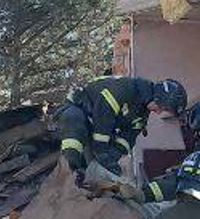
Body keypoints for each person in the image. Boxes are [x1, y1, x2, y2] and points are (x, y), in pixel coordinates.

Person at [57, 76, 186, 186]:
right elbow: (103, 115)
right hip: (78, 108)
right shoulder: (126, 88)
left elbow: (128, 137)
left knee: (98, 164)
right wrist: (102, 151)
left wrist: (113, 156)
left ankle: (86, 179)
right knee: (73, 123)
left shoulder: (141, 115)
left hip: (95, 127)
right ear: (158, 97)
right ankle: (70, 171)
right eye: (162, 107)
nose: (158, 112)